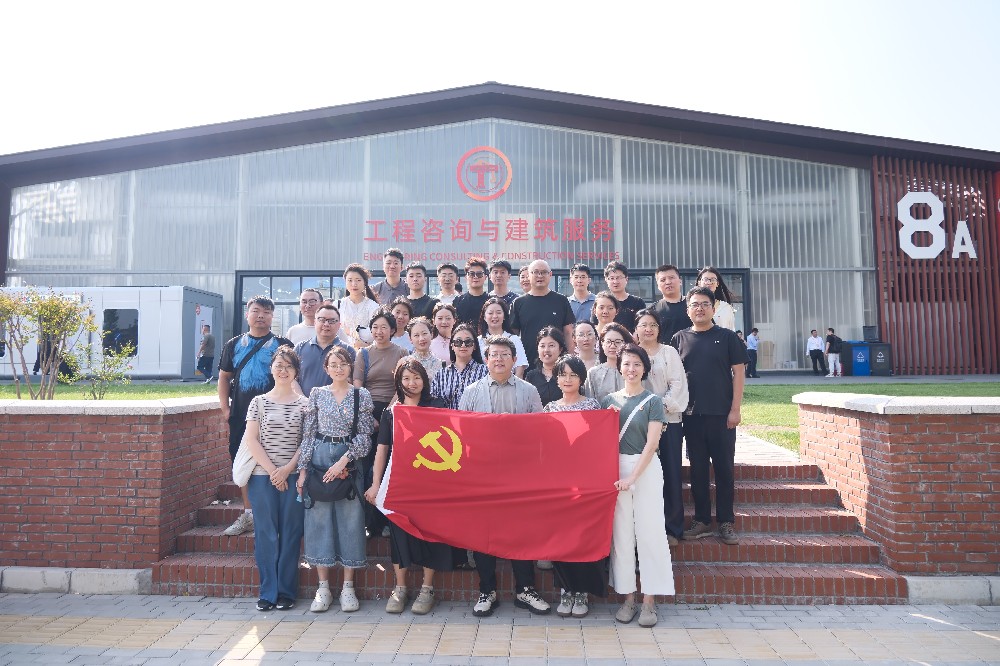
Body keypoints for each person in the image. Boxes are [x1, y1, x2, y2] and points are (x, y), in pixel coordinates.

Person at [458, 335, 548, 617]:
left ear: (514, 359)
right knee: (484, 531)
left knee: (521, 531)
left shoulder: (528, 391)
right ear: (486, 360)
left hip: (519, 473)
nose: (498, 359)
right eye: (494, 355)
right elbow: (461, 434)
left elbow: (540, 432)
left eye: (504, 355)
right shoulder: (471, 392)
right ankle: (487, 590)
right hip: (482, 473)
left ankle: (525, 589)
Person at [364, 359, 451, 615]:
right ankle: (400, 588)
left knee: (430, 533)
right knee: (399, 533)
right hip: (399, 483)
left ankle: (427, 588)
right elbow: (382, 451)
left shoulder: (437, 406)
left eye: (416, 377)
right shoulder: (391, 413)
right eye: (406, 378)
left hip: (431, 484)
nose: (411, 383)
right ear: (398, 382)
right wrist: (376, 484)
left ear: (424, 380)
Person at [297, 346, 376, 612]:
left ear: (350, 366)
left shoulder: (361, 395)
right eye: (333, 364)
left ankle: (348, 587)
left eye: (343, 363)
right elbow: (308, 434)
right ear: (326, 368)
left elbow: (365, 435)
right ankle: (323, 588)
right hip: (319, 457)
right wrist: (303, 470)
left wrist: (345, 460)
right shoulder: (317, 394)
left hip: (350, 458)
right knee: (318, 519)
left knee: (351, 520)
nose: (338, 368)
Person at [603, 344, 674, 628]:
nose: (631, 369)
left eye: (636, 364)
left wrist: (633, 477)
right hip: (615, 470)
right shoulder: (608, 401)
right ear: (619, 367)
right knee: (621, 535)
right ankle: (627, 597)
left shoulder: (653, 401)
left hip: (645, 470)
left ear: (645, 368)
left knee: (650, 533)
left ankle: (649, 600)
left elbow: (652, 444)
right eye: (626, 363)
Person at [672, 287, 748, 547]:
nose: (700, 308)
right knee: (698, 470)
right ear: (688, 310)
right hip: (691, 417)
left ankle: (726, 521)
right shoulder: (679, 338)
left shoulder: (727, 337)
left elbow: (739, 373)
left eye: (705, 304)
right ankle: (702, 520)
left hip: (722, 415)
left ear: (713, 308)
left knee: (724, 470)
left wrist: (735, 409)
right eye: (695, 304)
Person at [218, 296, 293, 537]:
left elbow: (293, 378)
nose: (261, 315)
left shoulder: (283, 345)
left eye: (267, 312)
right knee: (243, 463)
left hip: (277, 416)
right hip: (241, 416)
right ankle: (249, 514)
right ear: (247, 314)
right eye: (256, 310)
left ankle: (277, 513)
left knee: (276, 460)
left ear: (273, 316)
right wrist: (225, 409)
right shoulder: (234, 345)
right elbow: (224, 377)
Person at [243, 346, 307, 612]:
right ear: (271, 369)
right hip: (262, 477)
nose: (283, 370)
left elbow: (306, 442)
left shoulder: (305, 404)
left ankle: (286, 592)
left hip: (293, 477)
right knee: (266, 533)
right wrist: (273, 471)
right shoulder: (258, 402)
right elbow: (251, 440)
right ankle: (268, 592)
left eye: (289, 366)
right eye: (279, 365)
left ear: (296, 372)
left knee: (291, 533)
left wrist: (287, 469)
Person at [542, 354, 606, 618]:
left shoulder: (592, 406)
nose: (567, 380)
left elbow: (598, 442)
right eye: (562, 375)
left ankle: (582, 592)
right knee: (561, 537)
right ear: (556, 379)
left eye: (573, 375)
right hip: (558, 482)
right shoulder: (549, 409)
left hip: (585, 481)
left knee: (582, 537)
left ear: (581, 379)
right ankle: (565, 590)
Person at [633, 309, 689, 546]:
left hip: (668, 421)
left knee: (671, 473)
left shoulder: (669, 352)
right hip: (639, 425)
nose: (648, 329)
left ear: (659, 328)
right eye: (643, 325)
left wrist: (657, 408)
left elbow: (677, 384)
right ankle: (645, 529)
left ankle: (673, 528)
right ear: (636, 329)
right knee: (643, 476)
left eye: (653, 325)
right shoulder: (632, 353)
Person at [353, 311, 409, 537]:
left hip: (393, 411)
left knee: (388, 467)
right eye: (375, 327)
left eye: (384, 327)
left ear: (393, 330)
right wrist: (369, 415)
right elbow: (358, 387)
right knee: (366, 466)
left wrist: (387, 413)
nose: (379, 331)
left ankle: (386, 521)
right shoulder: (363, 354)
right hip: (367, 411)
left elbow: (402, 386)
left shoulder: (402, 353)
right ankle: (369, 522)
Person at [509, 259, 575, 366]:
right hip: (527, 363)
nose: (540, 276)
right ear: (529, 275)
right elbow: (513, 336)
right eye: (535, 272)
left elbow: (568, 332)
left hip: (557, 364)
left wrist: (570, 359)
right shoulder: (518, 303)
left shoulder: (561, 300)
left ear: (550, 275)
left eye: (544, 272)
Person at [294, 304, 357, 397]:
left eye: (332, 321)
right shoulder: (300, 348)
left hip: (335, 404)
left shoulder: (348, 351)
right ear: (315, 322)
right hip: (303, 403)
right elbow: (292, 378)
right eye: (322, 320)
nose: (326, 324)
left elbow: (352, 380)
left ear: (339, 325)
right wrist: (303, 400)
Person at [429, 323, 487, 410]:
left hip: (476, 418)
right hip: (448, 419)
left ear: (474, 346)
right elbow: (433, 407)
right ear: (452, 345)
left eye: (468, 342)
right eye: (458, 342)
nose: (463, 345)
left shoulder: (485, 372)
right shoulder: (441, 375)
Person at [476, 296, 528, 378]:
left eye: (499, 312)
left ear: (504, 316)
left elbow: (519, 370)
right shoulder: (478, 341)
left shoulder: (514, 339)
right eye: (490, 313)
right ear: (484, 317)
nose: (495, 316)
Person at [584, 322, 634, 403]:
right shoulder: (593, 373)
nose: (612, 346)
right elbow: (590, 404)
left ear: (625, 344)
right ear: (602, 343)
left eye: (617, 342)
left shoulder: (634, 370)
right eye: (608, 342)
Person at [337, 264, 381, 350]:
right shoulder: (338, 305)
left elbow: (373, 333)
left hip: (366, 352)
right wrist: (356, 340)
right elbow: (334, 331)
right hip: (341, 352)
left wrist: (350, 331)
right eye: (350, 280)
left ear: (365, 282)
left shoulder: (373, 306)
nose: (354, 284)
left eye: (358, 280)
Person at [524, 326, 568, 407]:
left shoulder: (568, 374)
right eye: (542, 346)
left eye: (551, 345)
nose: (546, 350)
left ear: (560, 349)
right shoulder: (531, 376)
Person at [652, 264, 692, 344]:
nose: (668, 282)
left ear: (680, 281)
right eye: (663, 280)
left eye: (671, 278)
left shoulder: (694, 305)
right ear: (658, 286)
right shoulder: (652, 311)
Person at [602, 261, 646, 330]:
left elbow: (643, 325)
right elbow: (596, 326)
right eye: (612, 278)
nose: (615, 281)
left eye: (619, 278)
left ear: (626, 279)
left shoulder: (638, 302)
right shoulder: (601, 302)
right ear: (606, 280)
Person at [402, 317, 445, 384]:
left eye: (424, 333)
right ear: (410, 339)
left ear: (431, 334)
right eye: (416, 335)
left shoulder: (441, 364)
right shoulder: (404, 362)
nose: (421, 339)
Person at [696, 267, 736, 331]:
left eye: (713, 279)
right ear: (699, 282)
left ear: (717, 283)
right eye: (705, 279)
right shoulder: (692, 306)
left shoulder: (726, 308)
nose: (709, 282)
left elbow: (731, 331)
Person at [453, 257, 490, 326]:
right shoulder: (458, 301)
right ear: (466, 277)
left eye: (479, 274)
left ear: (485, 277)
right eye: (471, 274)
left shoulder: (491, 301)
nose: (475, 277)